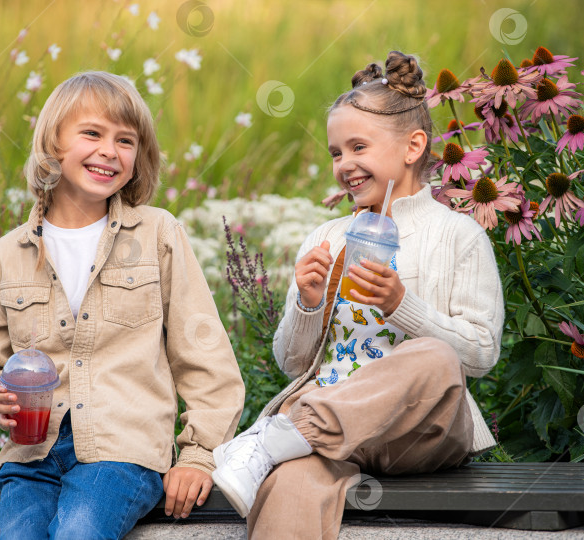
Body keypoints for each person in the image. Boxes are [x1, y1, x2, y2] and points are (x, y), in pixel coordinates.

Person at [212, 51, 504, 539]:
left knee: (432, 355)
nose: (344, 164)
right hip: (331, 436)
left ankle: (275, 435)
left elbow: (480, 354)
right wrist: (309, 304)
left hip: (422, 433)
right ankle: (283, 440)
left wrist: (400, 306)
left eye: (358, 147)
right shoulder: (326, 237)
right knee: (289, 486)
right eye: (335, 153)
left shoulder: (458, 235)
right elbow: (292, 362)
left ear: (413, 146)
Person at [0, 71, 245, 539]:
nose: (109, 151)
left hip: (122, 453)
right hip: (32, 457)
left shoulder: (158, 234)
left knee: (79, 532)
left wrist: (199, 454)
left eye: (126, 140)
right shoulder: (4, 257)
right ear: (53, 144)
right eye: (92, 133)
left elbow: (205, 357)